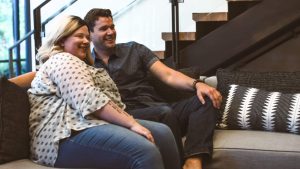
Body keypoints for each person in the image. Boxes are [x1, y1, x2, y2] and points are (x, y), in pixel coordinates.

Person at [26, 15, 181, 169]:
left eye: (87, 37)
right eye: (79, 36)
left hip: (89, 124)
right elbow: (90, 98)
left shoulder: (80, 65)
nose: (86, 41)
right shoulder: (62, 60)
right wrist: (132, 124)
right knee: (145, 151)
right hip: (61, 136)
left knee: (163, 133)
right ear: (61, 40)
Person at [83, 8, 223, 169]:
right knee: (164, 113)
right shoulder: (86, 65)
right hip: (127, 116)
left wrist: (197, 84)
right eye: (103, 29)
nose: (110, 32)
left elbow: (168, 75)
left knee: (206, 99)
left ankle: (194, 160)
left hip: (158, 108)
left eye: (112, 27)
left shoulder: (134, 50)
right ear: (90, 34)